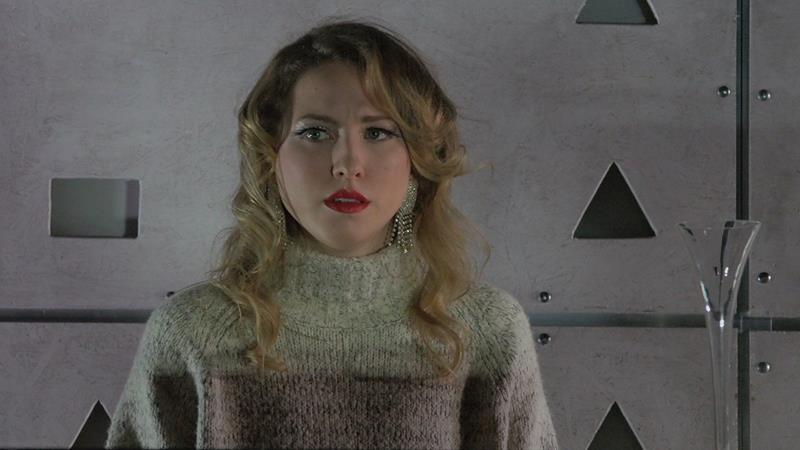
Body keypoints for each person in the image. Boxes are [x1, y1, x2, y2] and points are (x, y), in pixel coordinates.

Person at [105, 16, 558, 449]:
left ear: (418, 161)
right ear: (271, 156)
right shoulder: (191, 331)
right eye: (315, 132)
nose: (347, 163)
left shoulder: (486, 331)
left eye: (378, 133)